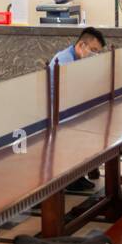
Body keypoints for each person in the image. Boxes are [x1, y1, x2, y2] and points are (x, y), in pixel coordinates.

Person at [49, 27, 106, 194]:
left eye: (98, 52)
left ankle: (83, 169)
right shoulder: (65, 61)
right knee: (90, 125)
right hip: (56, 114)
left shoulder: (79, 59)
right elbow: (73, 94)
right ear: (82, 45)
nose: (95, 55)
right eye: (94, 51)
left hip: (69, 109)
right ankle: (71, 177)